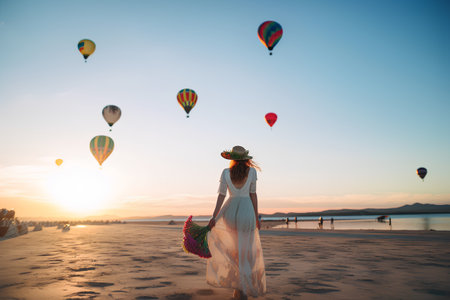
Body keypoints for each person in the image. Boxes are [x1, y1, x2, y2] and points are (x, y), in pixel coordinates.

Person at [207, 146, 266, 300]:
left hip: (230, 212)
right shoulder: (252, 172)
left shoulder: (226, 172)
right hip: (247, 211)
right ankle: (243, 289)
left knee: (234, 252)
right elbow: (253, 195)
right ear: (246, 159)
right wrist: (256, 216)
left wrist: (214, 216)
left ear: (232, 159)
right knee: (245, 253)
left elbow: (221, 195)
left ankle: (237, 289)